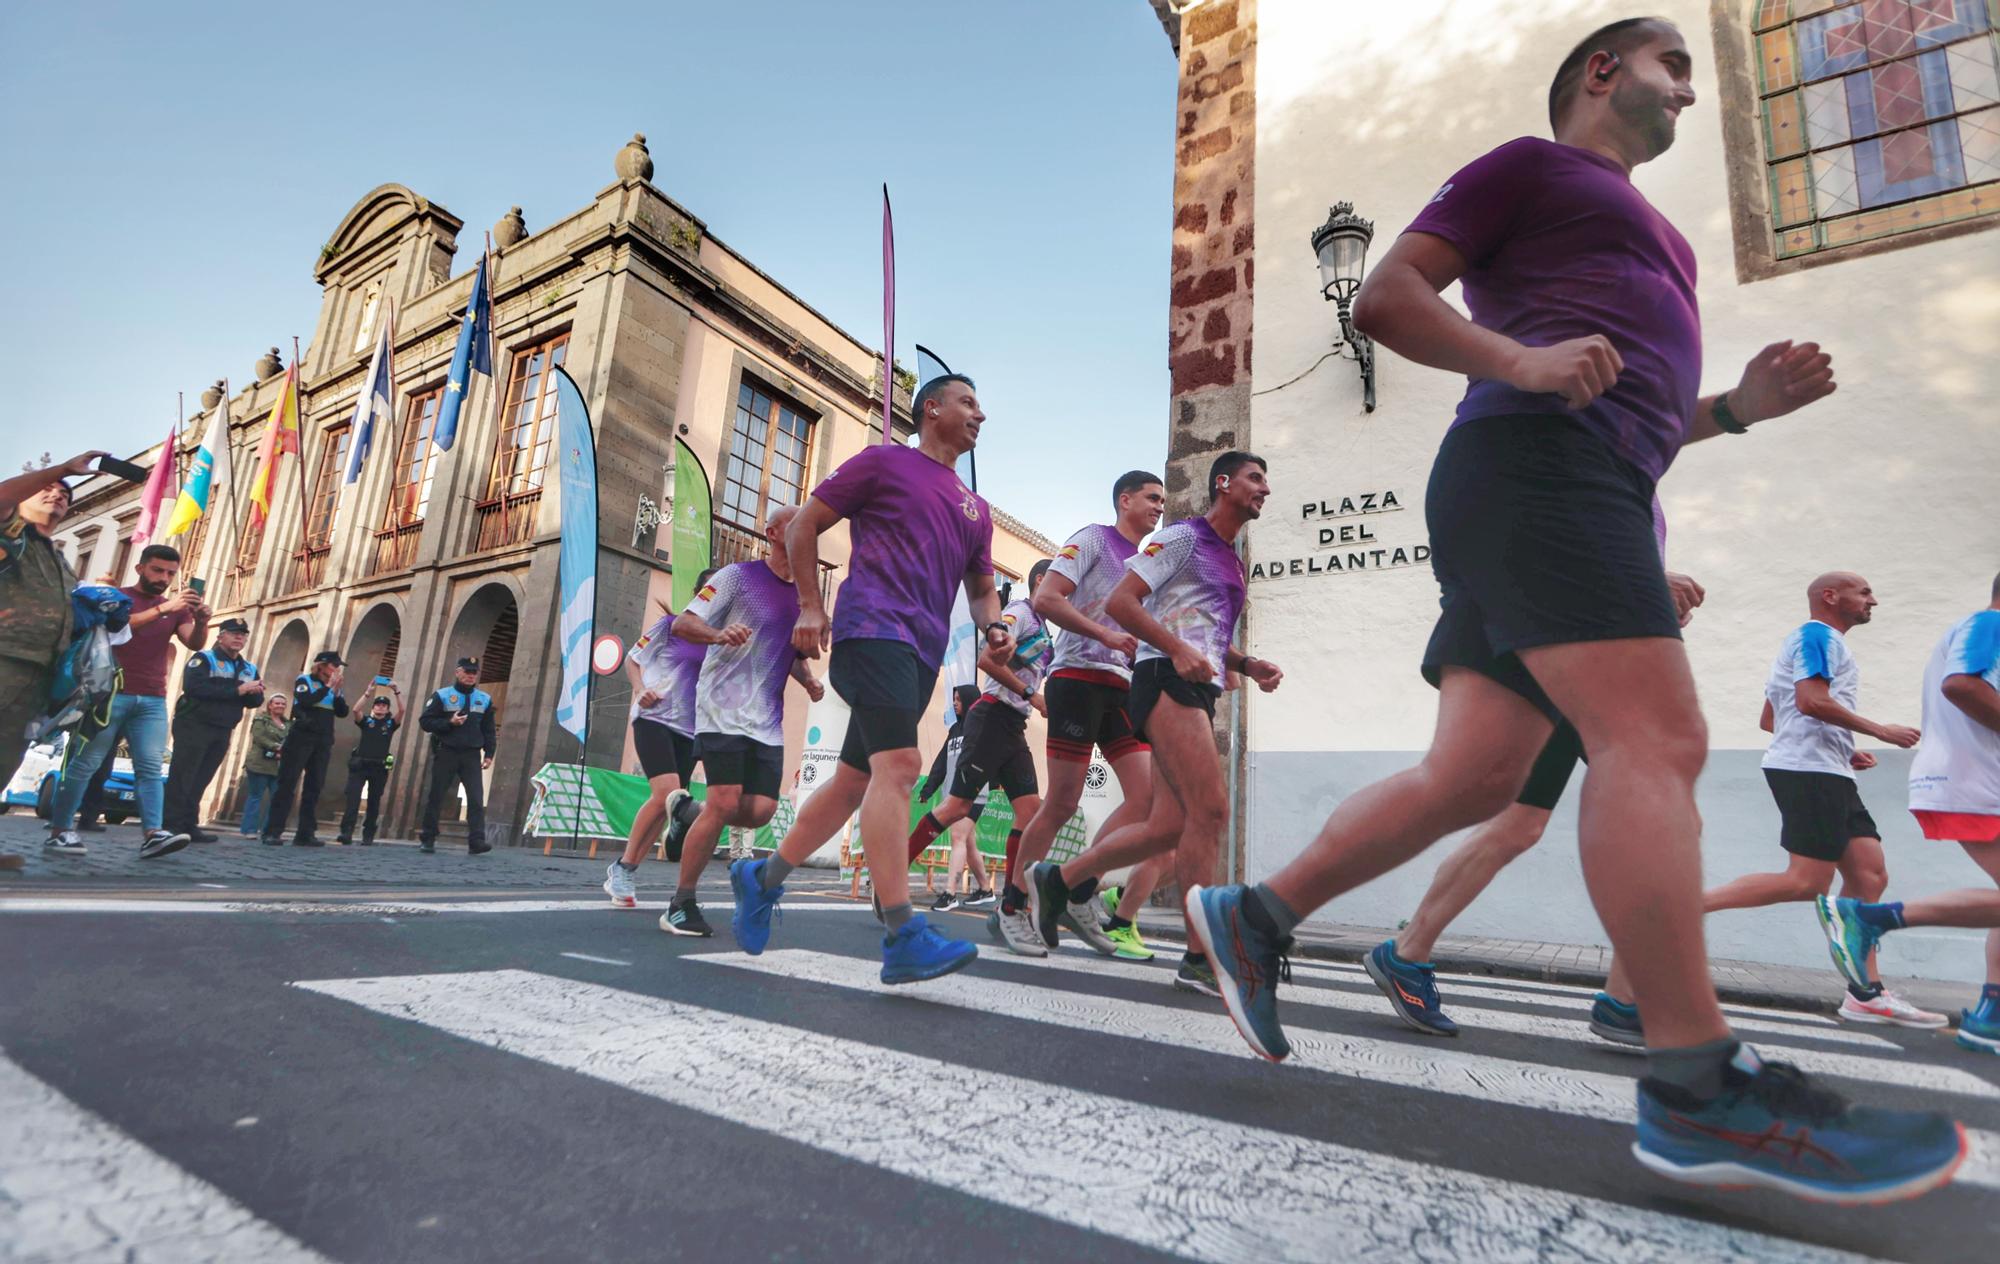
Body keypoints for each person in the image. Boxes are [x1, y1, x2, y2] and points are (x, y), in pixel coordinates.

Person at [1184, 18, 1965, 1202]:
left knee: (1477, 778)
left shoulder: (1661, 244)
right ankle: (1697, 1082)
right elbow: (1389, 298)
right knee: (1652, 741)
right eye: (1673, 68)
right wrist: (1514, 361)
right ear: (1602, 71)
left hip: (1579, 483)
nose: (1691, 96)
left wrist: (1735, 411)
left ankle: (1254, 913)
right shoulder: (1528, 166)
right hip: (1537, 473)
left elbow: (1639, 410)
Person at [1369, 506, 1704, 1038]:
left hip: (1602, 658)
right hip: (1569, 658)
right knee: (1663, 817)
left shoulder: (1634, 476)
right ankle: (1626, 999)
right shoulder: (1580, 451)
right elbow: (1539, 546)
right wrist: (1643, 584)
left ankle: (1408, 953)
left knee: (1523, 824)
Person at [729, 373, 1003, 985]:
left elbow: (982, 590)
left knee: (858, 781)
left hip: (920, 653)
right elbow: (803, 525)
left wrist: (997, 627)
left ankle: (762, 878)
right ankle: (903, 931)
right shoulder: (883, 463)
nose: (980, 415)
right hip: (872, 630)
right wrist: (807, 603)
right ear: (931, 410)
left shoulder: (975, 508)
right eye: (968, 403)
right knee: (902, 768)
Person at [1591, 572, 1940, 1033]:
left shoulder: (1817, 641)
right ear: (1830, 597)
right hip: (1808, 772)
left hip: (1824, 768)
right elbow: (1811, 701)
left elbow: (1770, 717)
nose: (1873, 600)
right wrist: (1879, 731)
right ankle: (1682, 906)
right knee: (1804, 882)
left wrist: (1843, 746)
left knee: (1869, 873)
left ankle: (1866, 994)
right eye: (1865, 592)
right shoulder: (1818, 636)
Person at [1025, 452, 1281, 996]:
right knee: (1210, 810)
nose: (1265, 488)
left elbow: (1199, 626)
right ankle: (1198, 957)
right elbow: (1122, 602)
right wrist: (1176, 652)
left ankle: (1061, 880)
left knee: (1168, 826)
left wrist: (1244, 665)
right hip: (1163, 678)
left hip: (1193, 684)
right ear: (1224, 483)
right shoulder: (1184, 538)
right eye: (1255, 478)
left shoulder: (1231, 559)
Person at [1818, 573, 2000, 1055]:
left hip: (1976, 778)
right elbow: (1960, 685)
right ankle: (1873, 919)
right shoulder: (1990, 623)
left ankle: (1992, 1016)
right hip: (1975, 781)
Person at [997, 471, 1165, 955]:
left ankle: (1078, 889)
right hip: (1076, 681)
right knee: (1063, 802)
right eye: (1152, 498)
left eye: (1162, 501)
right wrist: (1105, 634)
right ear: (1125, 500)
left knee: (1146, 797)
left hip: (1122, 687)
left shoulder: (1147, 564)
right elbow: (1047, 599)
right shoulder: (1093, 539)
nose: (1159, 507)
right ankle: (1011, 904)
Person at [657, 509, 819, 935]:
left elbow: (790, 654)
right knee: (726, 804)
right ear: (772, 533)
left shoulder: (806, 594)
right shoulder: (735, 576)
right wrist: (717, 635)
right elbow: (683, 623)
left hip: (765, 718)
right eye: (797, 521)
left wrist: (808, 682)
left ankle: (687, 812)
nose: (808, 526)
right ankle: (680, 903)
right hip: (722, 708)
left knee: (762, 811)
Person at [904, 560, 1052, 933]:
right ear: (1039, 581)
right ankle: (892, 871)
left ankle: (1010, 905)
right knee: (957, 806)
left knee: (1030, 813)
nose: (1066, 593)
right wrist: (1032, 694)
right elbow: (987, 660)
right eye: (1061, 585)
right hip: (991, 717)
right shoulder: (1019, 613)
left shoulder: (1045, 628)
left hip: (1014, 725)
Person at [47, 543, 209, 860]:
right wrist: (165, 608)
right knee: (86, 764)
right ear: (140, 568)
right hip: (108, 695)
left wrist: (202, 621)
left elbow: (194, 642)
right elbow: (119, 625)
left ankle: (152, 834)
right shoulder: (116, 597)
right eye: (158, 570)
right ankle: (60, 830)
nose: (164, 578)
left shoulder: (176, 608)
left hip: (152, 698)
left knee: (149, 768)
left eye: (170, 573)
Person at [0, 455, 99, 867]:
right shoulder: (11, 533)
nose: (57, 493)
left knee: (7, 755)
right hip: (5, 658)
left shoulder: (59, 559)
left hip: (40, 672)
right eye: (48, 488)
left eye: (64, 493)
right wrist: (63, 468)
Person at [603, 567, 716, 908]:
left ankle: (624, 868)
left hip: (691, 729)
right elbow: (633, 658)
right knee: (670, 795)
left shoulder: (720, 638)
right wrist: (640, 690)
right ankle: (682, 824)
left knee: (663, 805)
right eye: (709, 591)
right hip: (654, 717)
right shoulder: (670, 626)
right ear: (697, 593)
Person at [162, 616, 263, 843]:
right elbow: (194, 687)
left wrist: (254, 692)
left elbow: (255, 701)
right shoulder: (203, 659)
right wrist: (238, 690)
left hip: (223, 727)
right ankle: (170, 825)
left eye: (243, 634)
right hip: (194, 724)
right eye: (234, 633)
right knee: (183, 775)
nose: (239, 637)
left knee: (202, 778)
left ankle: (189, 824)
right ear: (220, 636)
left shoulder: (248, 667)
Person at [917, 686, 996, 912]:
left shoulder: (981, 727)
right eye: (953, 699)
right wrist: (928, 790)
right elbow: (942, 763)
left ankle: (950, 892)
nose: (955, 703)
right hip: (952, 795)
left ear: (971, 701)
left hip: (973, 794)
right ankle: (985, 888)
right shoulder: (954, 730)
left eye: (959, 699)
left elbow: (993, 755)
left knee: (958, 837)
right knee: (968, 842)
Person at [261, 650, 349, 847]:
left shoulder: (333, 687)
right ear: (322, 665)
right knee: (287, 784)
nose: (336, 670)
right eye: (334, 666)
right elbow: (307, 701)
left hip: (323, 740)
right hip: (301, 738)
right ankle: (273, 831)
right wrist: (327, 688)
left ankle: (305, 832)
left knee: (314, 786)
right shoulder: (305, 681)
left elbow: (343, 712)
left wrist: (337, 694)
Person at [418, 656, 497, 855]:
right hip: (447, 751)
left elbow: (488, 729)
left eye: (474, 673)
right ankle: (428, 837)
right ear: (457, 672)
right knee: (437, 796)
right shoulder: (442, 695)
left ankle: (476, 841)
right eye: (467, 672)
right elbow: (425, 722)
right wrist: (449, 723)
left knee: (476, 799)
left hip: (471, 755)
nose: (471, 676)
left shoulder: (484, 699)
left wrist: (489, 753)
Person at [337, 683, 405, 845]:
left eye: (384, 706)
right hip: (360, 765)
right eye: (378, 705)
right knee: (352, 800)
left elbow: (402, 711)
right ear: (373, 708)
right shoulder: (366, 721)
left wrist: (396, 692)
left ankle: (368, 834)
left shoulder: (390, 725)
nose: (381, 708)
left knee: (374, 802)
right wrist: (368, 693)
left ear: (388, 709)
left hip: (379, 766)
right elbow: (355, 710)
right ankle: (346, 832)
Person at [239, 695, 290, 837]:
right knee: (255, 796)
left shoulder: (288, 724)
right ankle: (249, 829)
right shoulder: (261, 720)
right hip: (259, 763)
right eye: (277, 703)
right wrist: (276, 746)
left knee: (276, 799)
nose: (280, 705)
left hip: (278, 765)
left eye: (283, 704)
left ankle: (269, 830)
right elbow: (259, 737)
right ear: (270, 705)